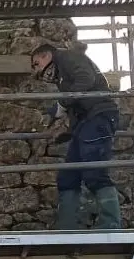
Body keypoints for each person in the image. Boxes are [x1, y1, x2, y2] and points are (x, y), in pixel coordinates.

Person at [30, 42, 122, 231]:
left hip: (98, 117)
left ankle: (110, 224)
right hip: (86, 123)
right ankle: (67, 225)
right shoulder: (63, 75)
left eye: (36, 63)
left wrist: (62, 104)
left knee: (95, 172)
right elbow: (78, 99)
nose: (36, 70)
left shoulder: (66, 58)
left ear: (47, 55)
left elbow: (85, 79)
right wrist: (67, 129)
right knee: (68, 176)